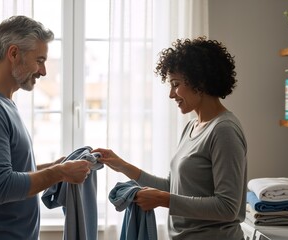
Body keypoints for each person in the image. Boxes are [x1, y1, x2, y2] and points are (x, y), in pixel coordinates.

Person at [93, 37, 247, 240]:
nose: (171, 94)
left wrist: (162, 199)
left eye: (176, 84)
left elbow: (227, 207)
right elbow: (172, 187)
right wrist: (122, 165)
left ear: (199, 83)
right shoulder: (192, 126)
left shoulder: (223, 130)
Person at [0, 15, 92, 240]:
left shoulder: (2, 103)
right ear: (13, 54)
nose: (44, 71)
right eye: (39, 60)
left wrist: (55, 167)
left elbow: (9, 170)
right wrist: (59, 173)